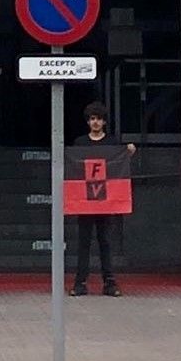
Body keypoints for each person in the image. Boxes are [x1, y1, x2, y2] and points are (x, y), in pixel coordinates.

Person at [70, 101, 135, 297]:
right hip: (86, 199)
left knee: (105, 241)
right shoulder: (80, 143)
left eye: (98, 119)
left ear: (104, 122)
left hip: (105, 200)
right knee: (84, 242)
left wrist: (128, 153)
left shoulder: (113, 143)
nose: (95, 122)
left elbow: (118, 164)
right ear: (88, 122)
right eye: (92, 119)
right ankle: (80, 282)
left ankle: (109, 282)